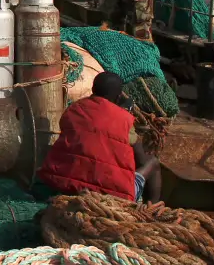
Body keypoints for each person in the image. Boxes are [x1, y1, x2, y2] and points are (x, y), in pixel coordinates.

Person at [38, 71, 162, 203]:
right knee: (153, 163)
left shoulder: (73, 109)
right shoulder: (124, 119)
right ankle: (150, 211)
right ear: (119, 96)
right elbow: (141, 159)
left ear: (92, 89)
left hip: (65, 184)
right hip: (110, 196)